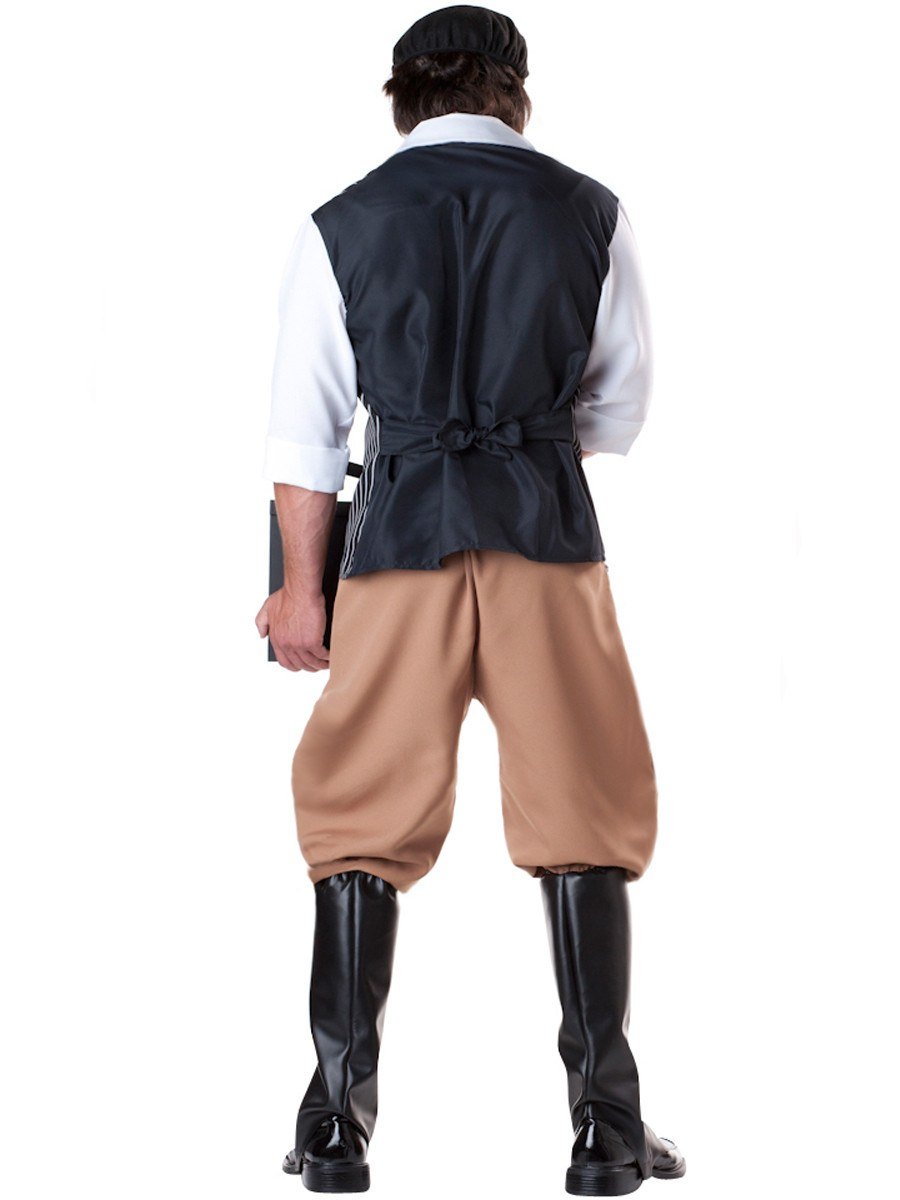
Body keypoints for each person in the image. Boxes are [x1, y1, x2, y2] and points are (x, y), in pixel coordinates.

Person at [256, 6, 685, 1194]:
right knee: (586, 806)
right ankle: (606, 1129)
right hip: (547, 540)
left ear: (403, 97)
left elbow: (305, 431)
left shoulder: (343, 220)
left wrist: (300, 591)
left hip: (399, 542)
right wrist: (522, 450)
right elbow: (619, 406)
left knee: (358, 811)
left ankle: (336, 1126)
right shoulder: (588, 209)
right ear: (514, 93)